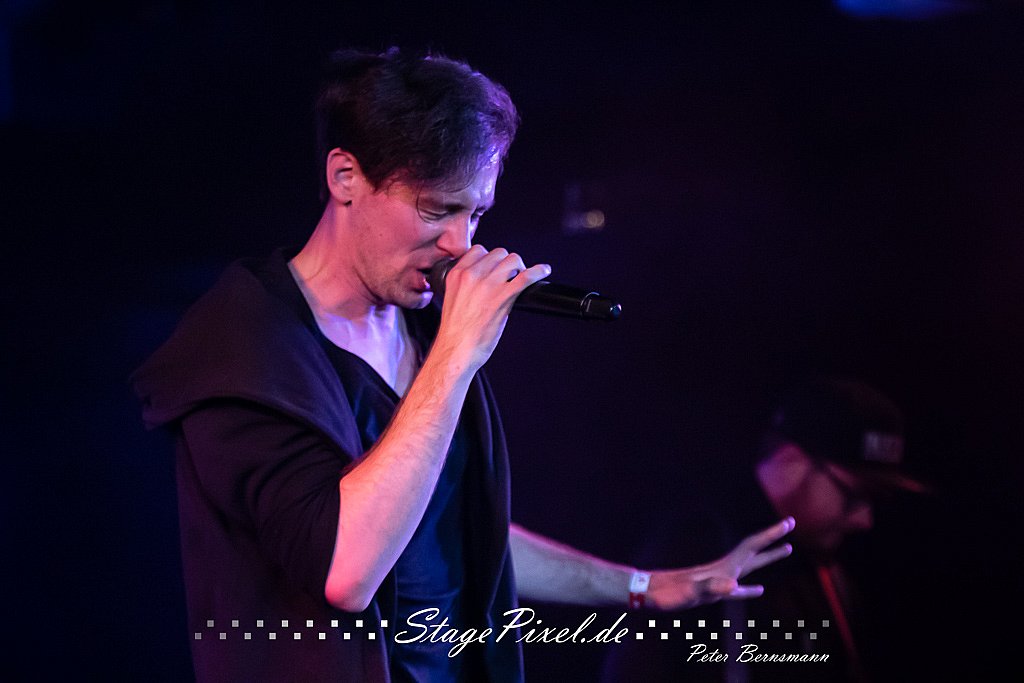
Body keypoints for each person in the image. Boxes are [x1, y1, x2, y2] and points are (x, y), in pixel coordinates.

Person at [130, 46, 794, 683]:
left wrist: (642, 586)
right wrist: (454, 357)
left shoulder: (422, 323)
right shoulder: (244, 351)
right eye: (437, 208)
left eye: (475, 212)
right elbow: (347, 571)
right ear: (345, 178)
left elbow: (457, 534)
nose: (460, 243)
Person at [600, 375, 931, 683]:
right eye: (854, 496)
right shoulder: (692, 549)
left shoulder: (829, 570)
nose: (864, 520)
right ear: (790, 463)